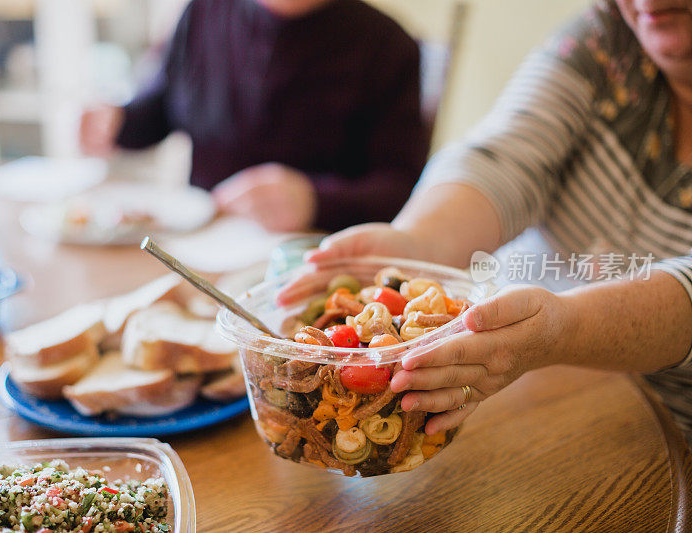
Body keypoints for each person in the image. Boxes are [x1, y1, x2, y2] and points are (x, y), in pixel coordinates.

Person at [281, 0, 692, 442]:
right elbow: (506, 157)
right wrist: (419, 242)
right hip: (524, 393)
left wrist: (562, 328)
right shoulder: (606, 38)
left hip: (667, 434)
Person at [79, 0, 428, 233]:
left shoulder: (387, 45)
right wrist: (117, 122)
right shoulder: (205, 10)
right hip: (198, 249)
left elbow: (401, 188)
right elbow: (162, 106)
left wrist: (315, 201)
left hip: (314, 265)